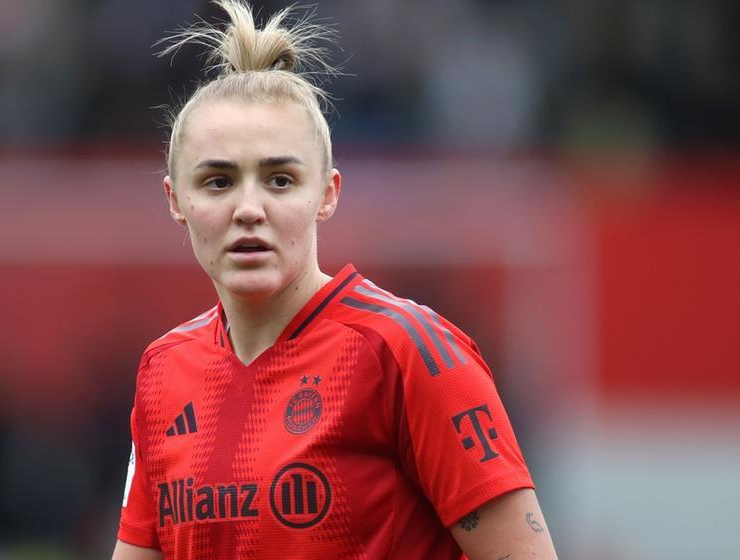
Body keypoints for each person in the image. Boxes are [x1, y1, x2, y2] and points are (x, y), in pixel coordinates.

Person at [113, 2, 558, 558]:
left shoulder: (408, 353)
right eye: (218, 181)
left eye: (280, 179)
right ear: (176, 200)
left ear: (327, 193)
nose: (248, 208)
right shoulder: (163, 372)